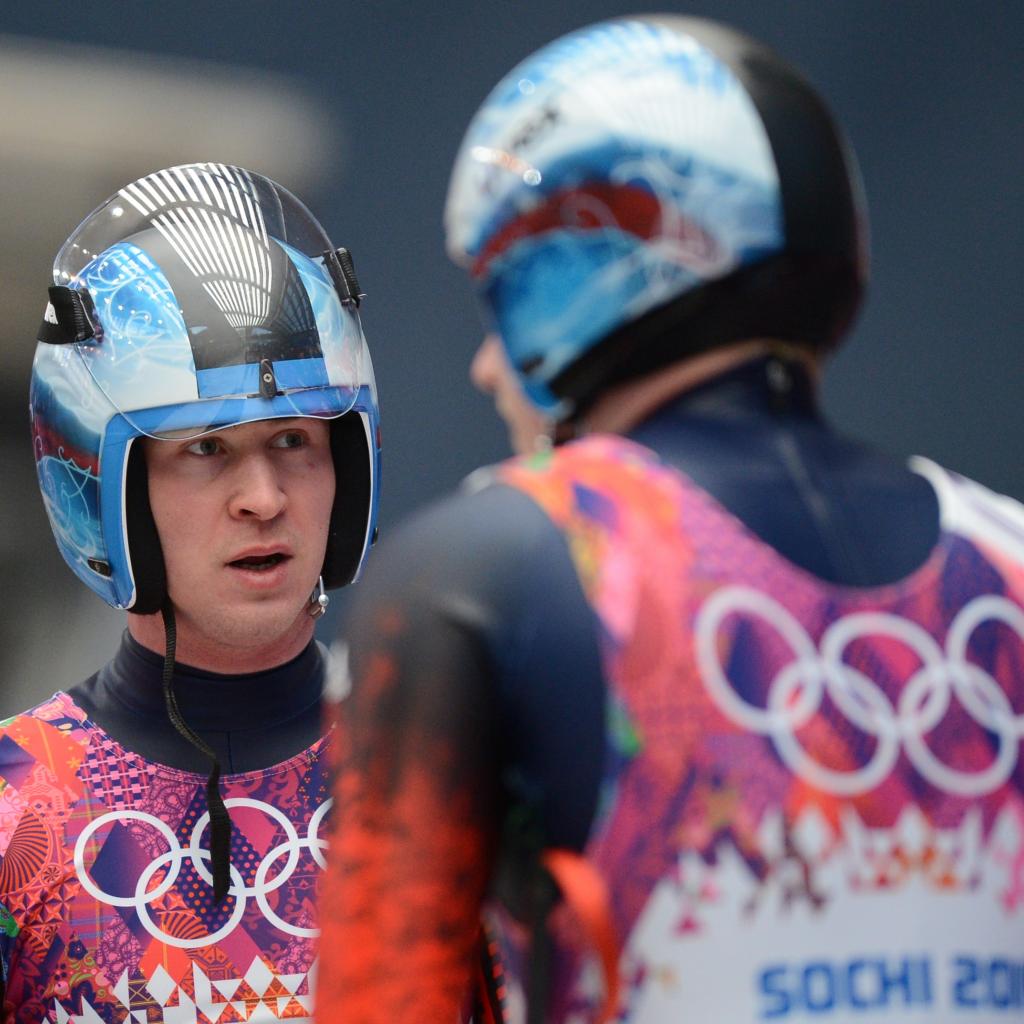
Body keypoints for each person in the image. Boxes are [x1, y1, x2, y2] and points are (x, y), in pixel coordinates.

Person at [315, 15, 1024, 1024]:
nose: (483, 366)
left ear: (584, 255)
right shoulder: (1008, 556)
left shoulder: (481, 568)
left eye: (498, 297)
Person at [0, 162, 380, 1021]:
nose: (264, 499)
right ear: (107, 488)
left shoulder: (453, 777)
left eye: (294, 439)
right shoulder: (13, 808)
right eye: (205, 449)